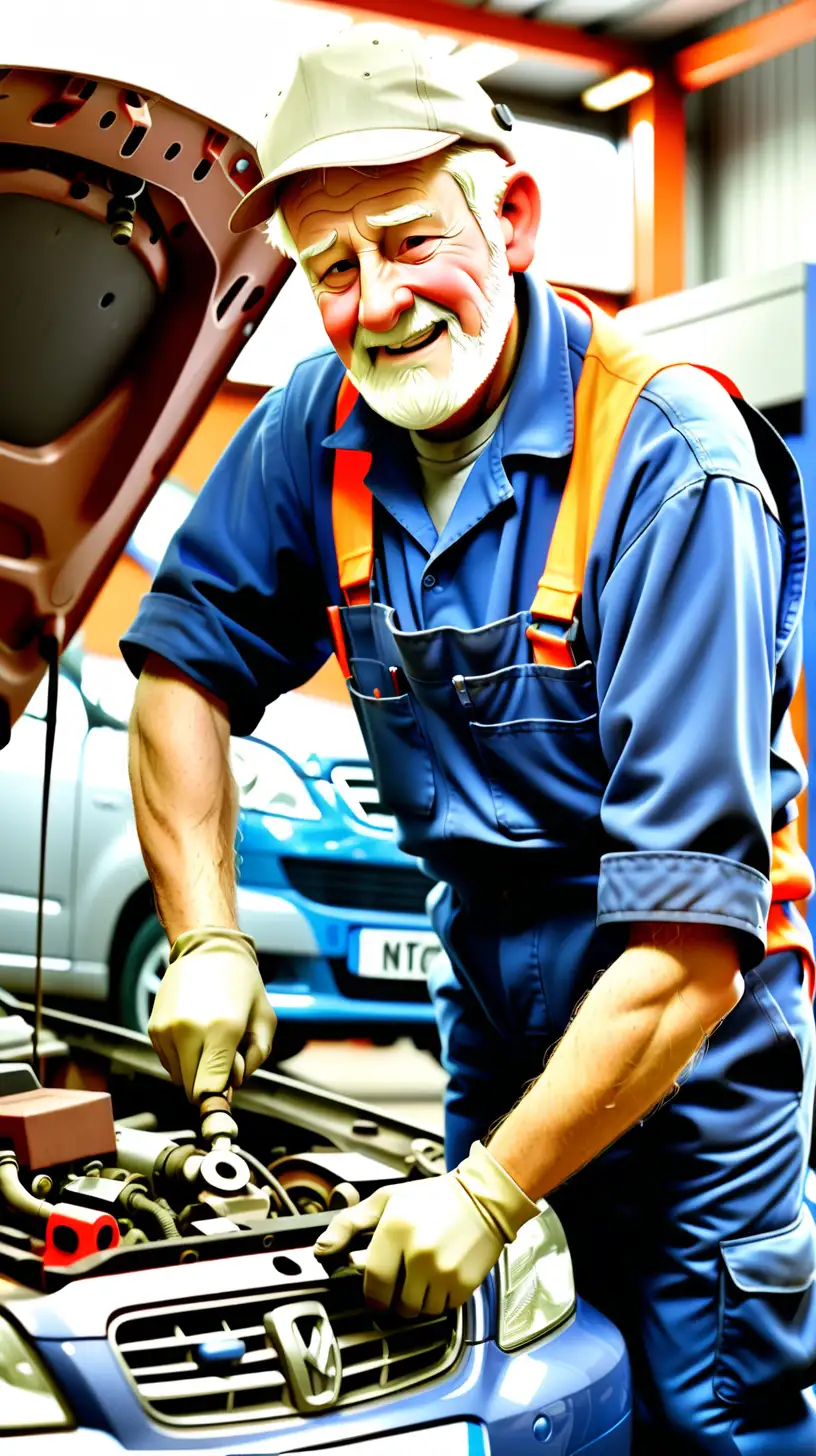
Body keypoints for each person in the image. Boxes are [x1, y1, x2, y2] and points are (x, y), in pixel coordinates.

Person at [121, 24, 816, 1452]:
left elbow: (688, 948)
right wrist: (204, 939)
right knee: (508, 1412)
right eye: (331, 269)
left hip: (682, 1067)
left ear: (511, 217)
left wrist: (491, 1196)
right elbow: (181, 672)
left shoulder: (674, 465)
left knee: (704, 1421)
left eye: (407, 242)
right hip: (488, 1020)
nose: (377, 304)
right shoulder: (320, 426)